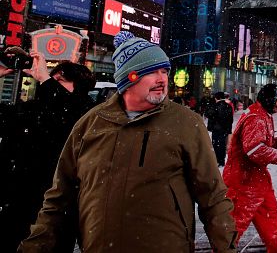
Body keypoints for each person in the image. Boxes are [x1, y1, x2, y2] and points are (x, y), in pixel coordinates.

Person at [20, 31, 237, 252]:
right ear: (129, 77)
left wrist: (226, 248)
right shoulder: (90, 124)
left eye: (165, 71)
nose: (162, 79)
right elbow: (58, 200)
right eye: (152, 71)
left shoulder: (186, 123)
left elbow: (213, 197)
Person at [0, 51, 95, 252]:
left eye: (59, 81)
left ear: (78, 89)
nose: (51, 83)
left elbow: (68, 113)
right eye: (52, 79)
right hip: (13, 208)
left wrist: (44, 78)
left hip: (52, 217)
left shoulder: (85, 115)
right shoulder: (32, 111)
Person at [224, 84, 277, 252]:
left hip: (258, 183)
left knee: (273, 230)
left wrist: (276, 142)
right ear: (269, 99)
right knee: (232, 232)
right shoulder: (256, 117)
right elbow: (254, 150)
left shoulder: (262, 114)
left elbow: (257, 141)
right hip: (243, 185)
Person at [207, 90, 234, 166]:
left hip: (216, 129)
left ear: (216, 98)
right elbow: (230, 119)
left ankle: (217, 160)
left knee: (216, 145)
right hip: (225, 129)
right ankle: (222, 160)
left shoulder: (215, 106)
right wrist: (229, 129)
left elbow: (208, 114)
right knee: (222, 145)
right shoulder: (228, 106)